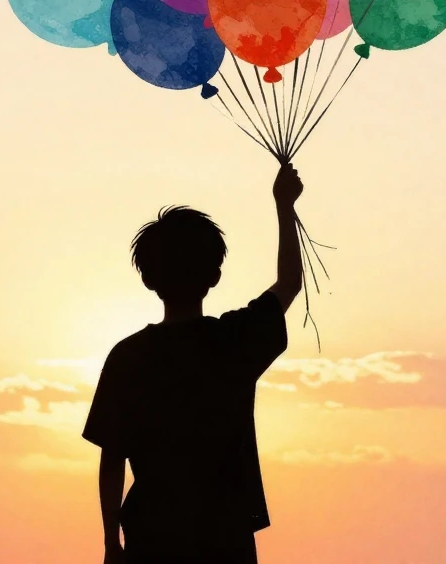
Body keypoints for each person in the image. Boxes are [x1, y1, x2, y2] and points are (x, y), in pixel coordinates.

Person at [83, 162, 304, 564]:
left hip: (153, 534)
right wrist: (284, 204)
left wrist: (110, 543)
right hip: (225, 532)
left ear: (149, 279)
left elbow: (112, 457)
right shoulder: (233, 340)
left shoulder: (128, 356)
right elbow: (289, 283)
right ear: (215, 275)